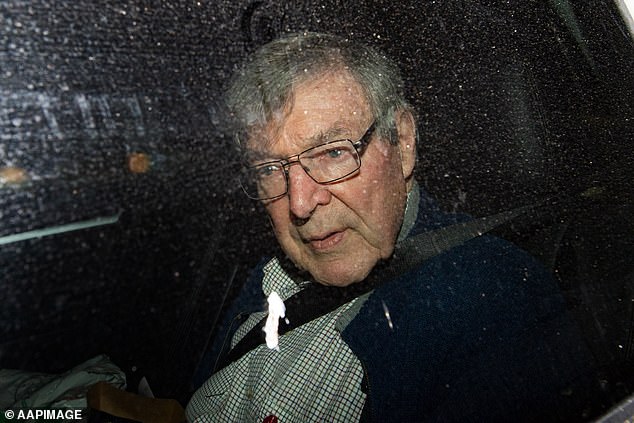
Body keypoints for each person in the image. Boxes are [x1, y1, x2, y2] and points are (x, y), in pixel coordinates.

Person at [187, 32, 598, 422]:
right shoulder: (270, 273)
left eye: (332, 153)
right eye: (271, 168)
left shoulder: (494, 302)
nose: (299, 203)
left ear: (401, 142)